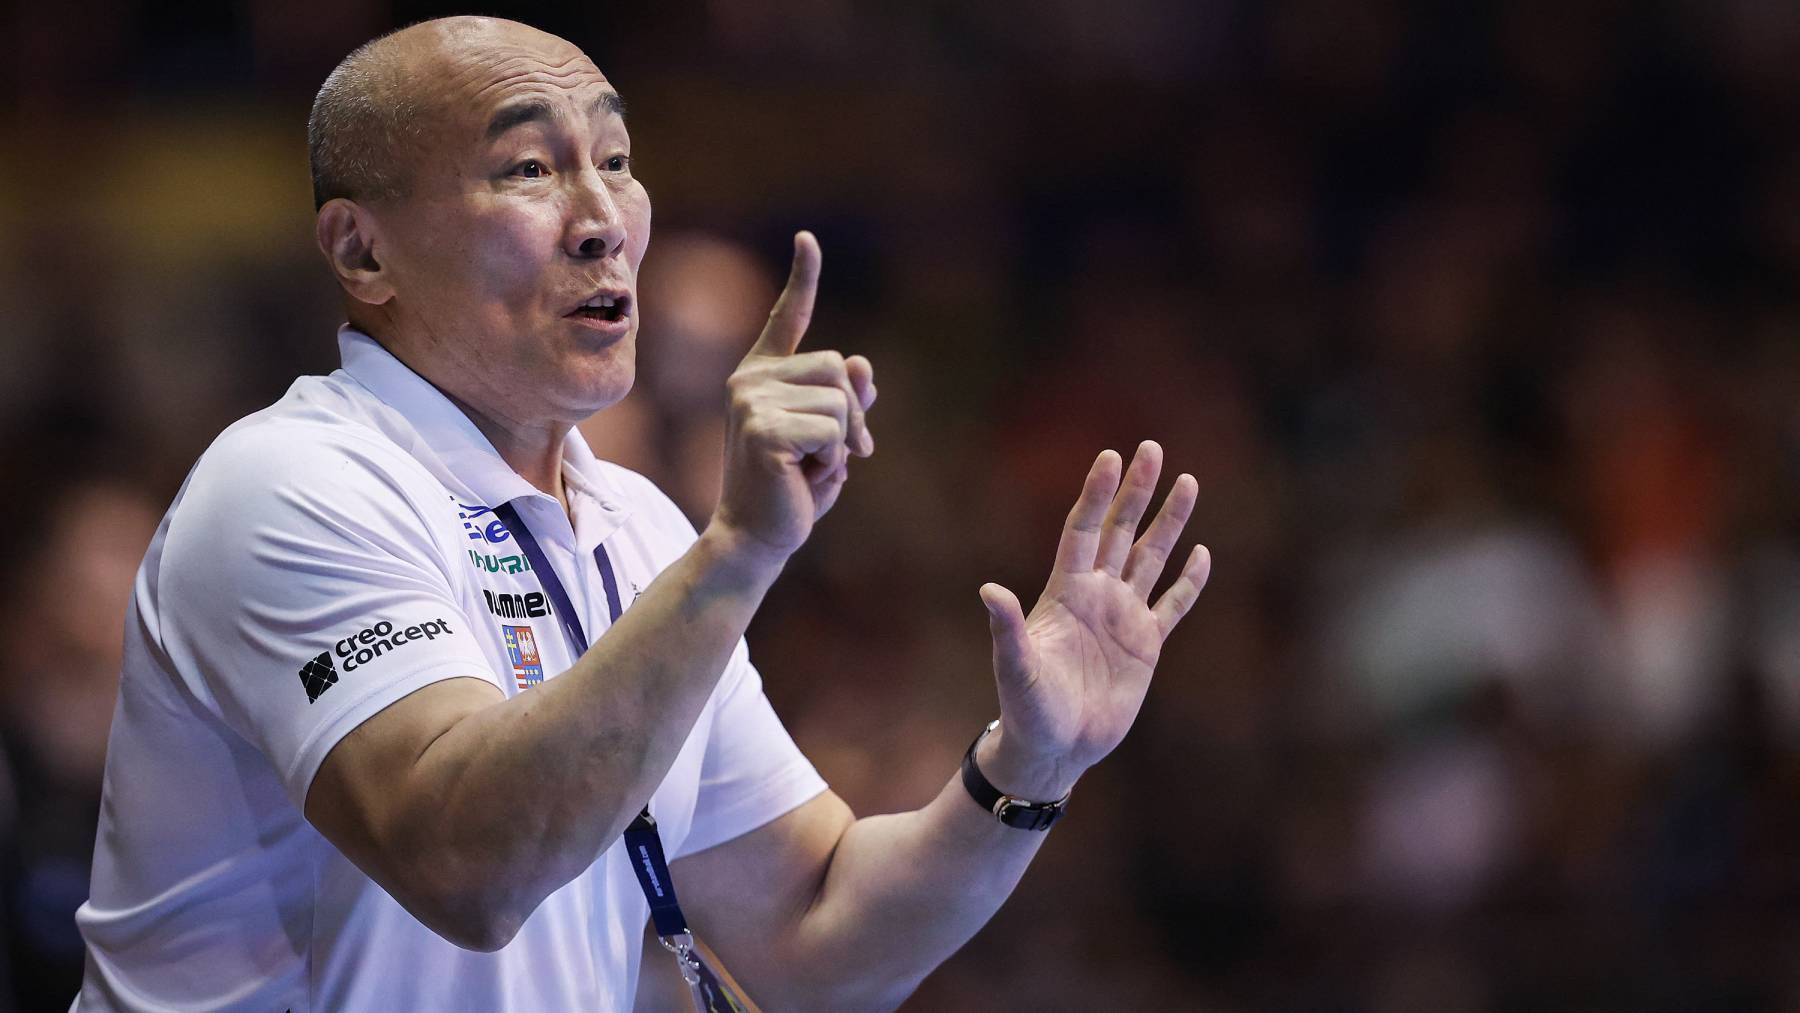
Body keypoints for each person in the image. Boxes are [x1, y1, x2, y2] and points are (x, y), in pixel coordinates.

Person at [73, 15, 1210, 1012]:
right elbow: (468, 864)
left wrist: (1030, 765)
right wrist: (738, 554)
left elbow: (819, 943)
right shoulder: (291, 483)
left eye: (615, 161)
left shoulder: (637, 527)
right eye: (527, 168)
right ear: (362, 250)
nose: (602, 218)